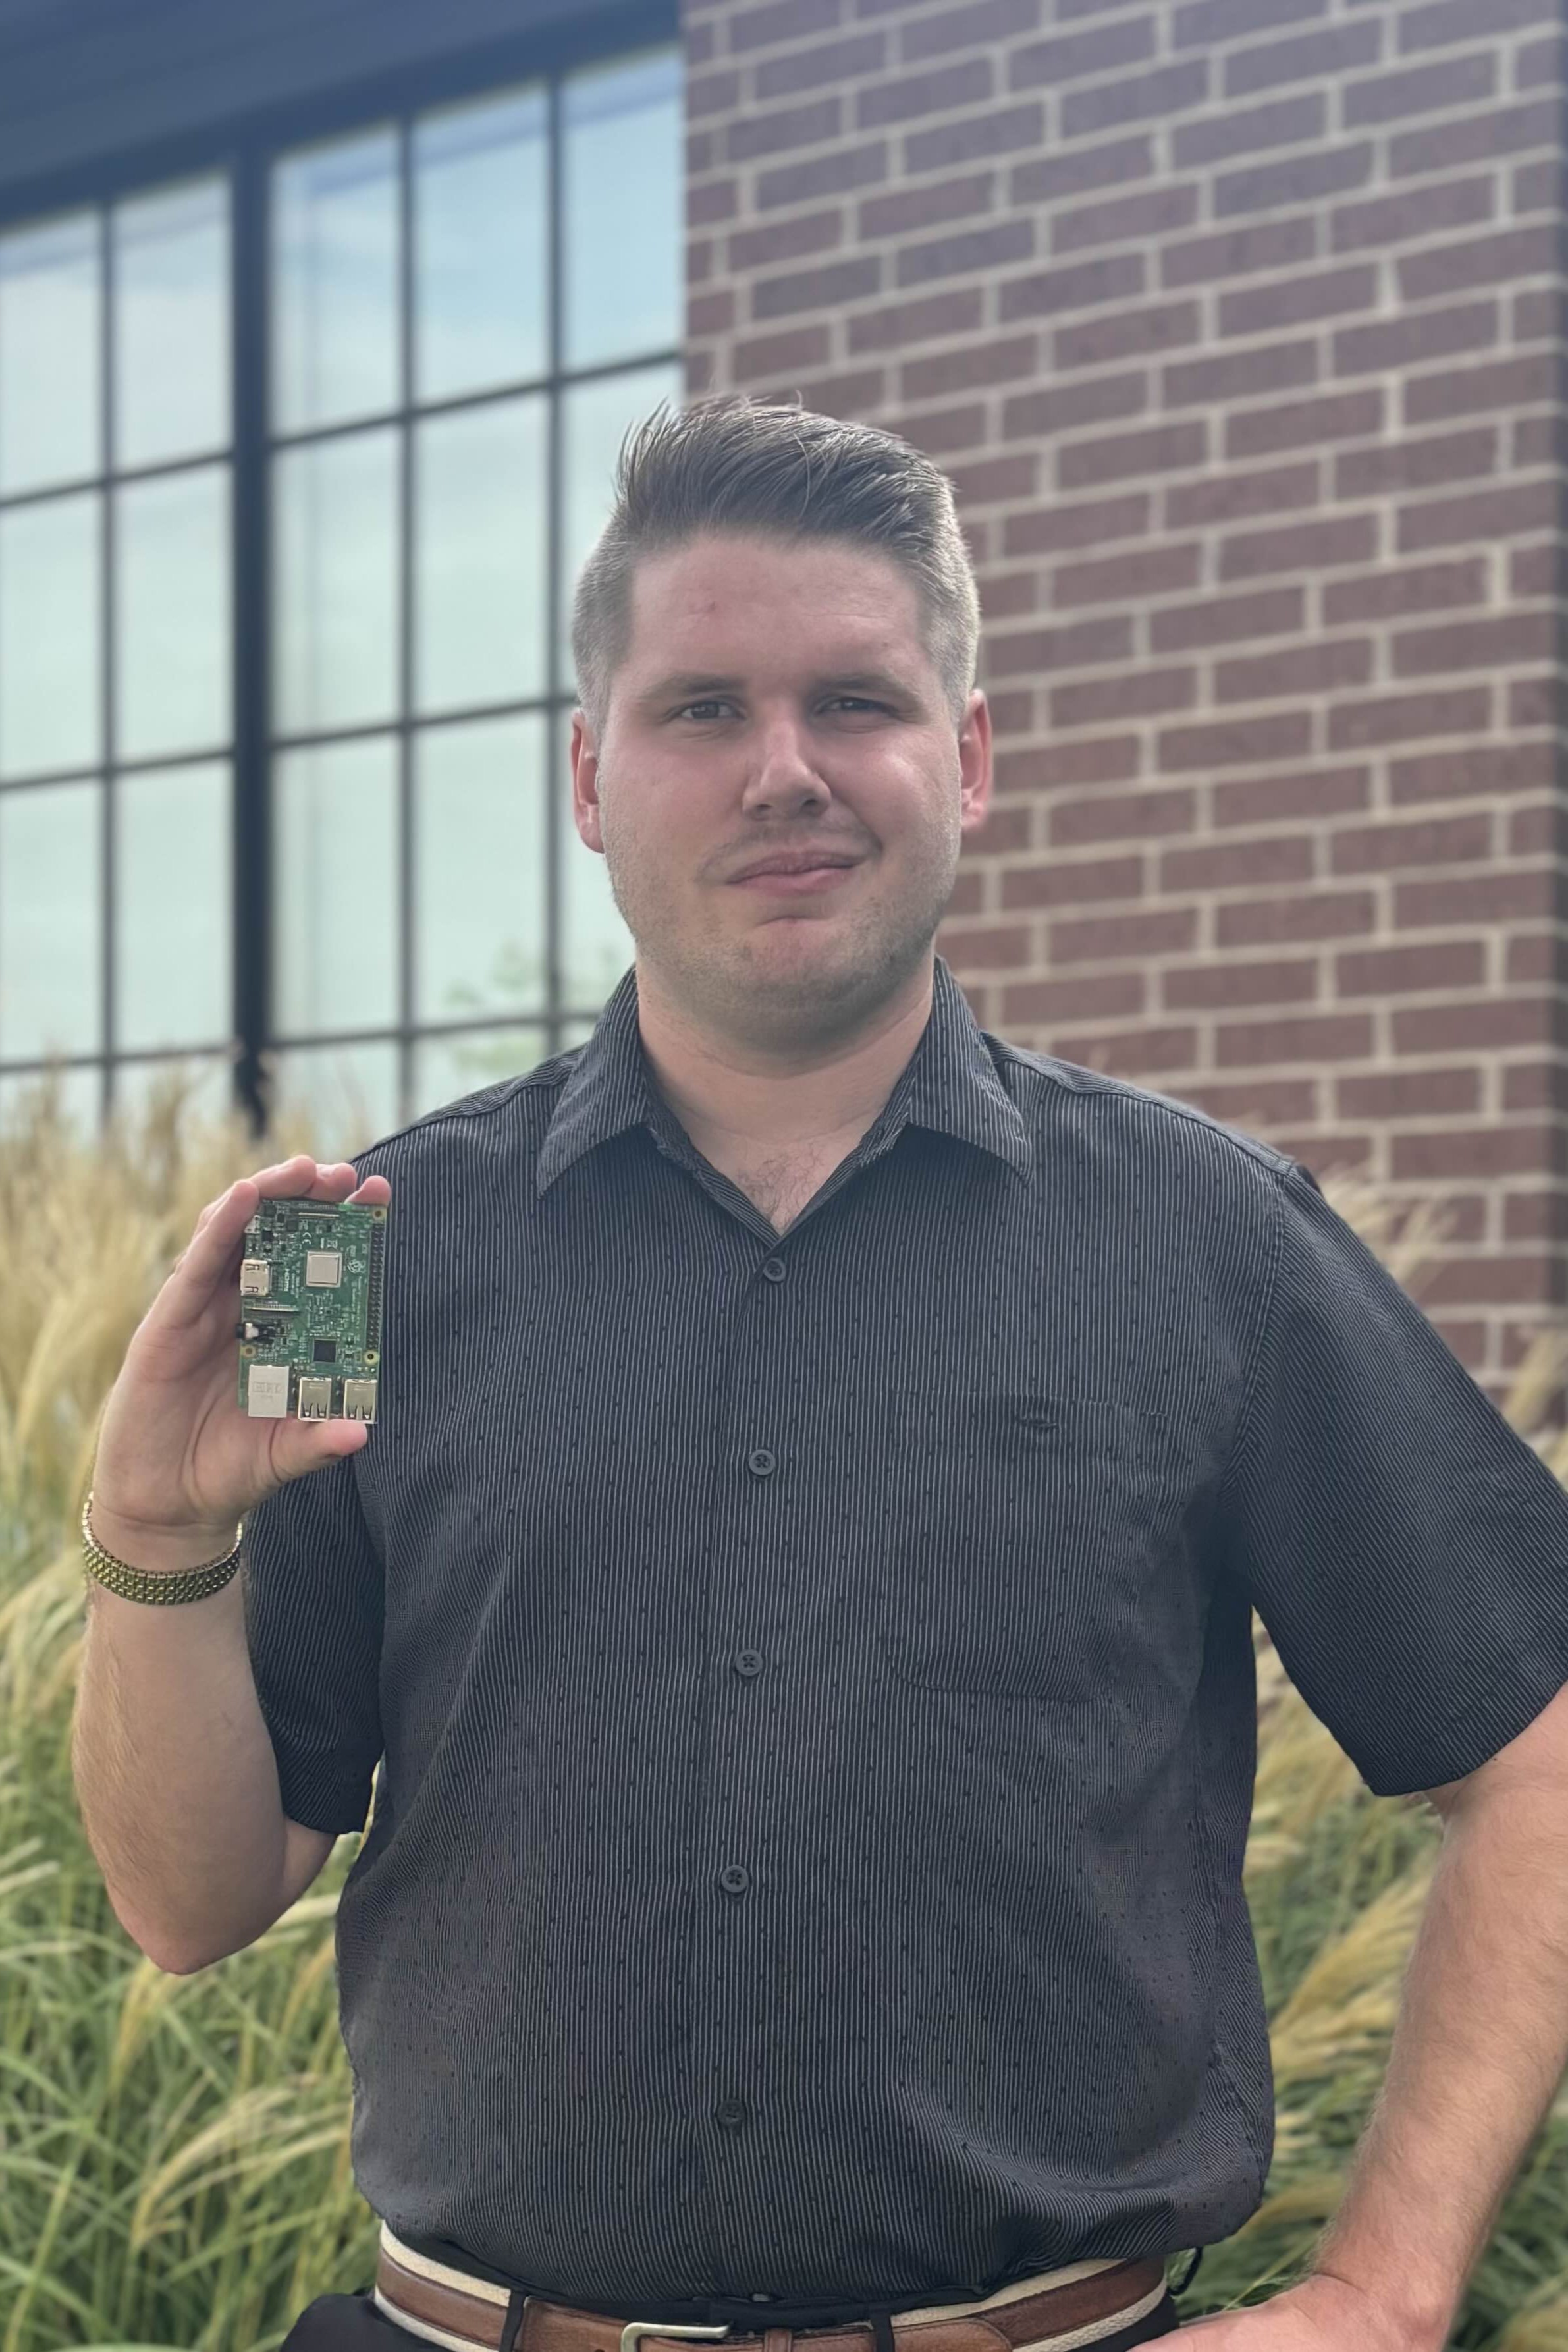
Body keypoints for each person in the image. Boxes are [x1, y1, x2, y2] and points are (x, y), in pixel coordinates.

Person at [73, 398, 1568, 2352]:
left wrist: (1381, 2293)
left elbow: (1537, 1752)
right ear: (590, 774)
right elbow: (190, 1904)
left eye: (854, 702)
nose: (783, 771)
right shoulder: (353, 1249)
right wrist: (152, 1533)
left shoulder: (1212, 1237)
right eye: (702, 709)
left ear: (969, 756)